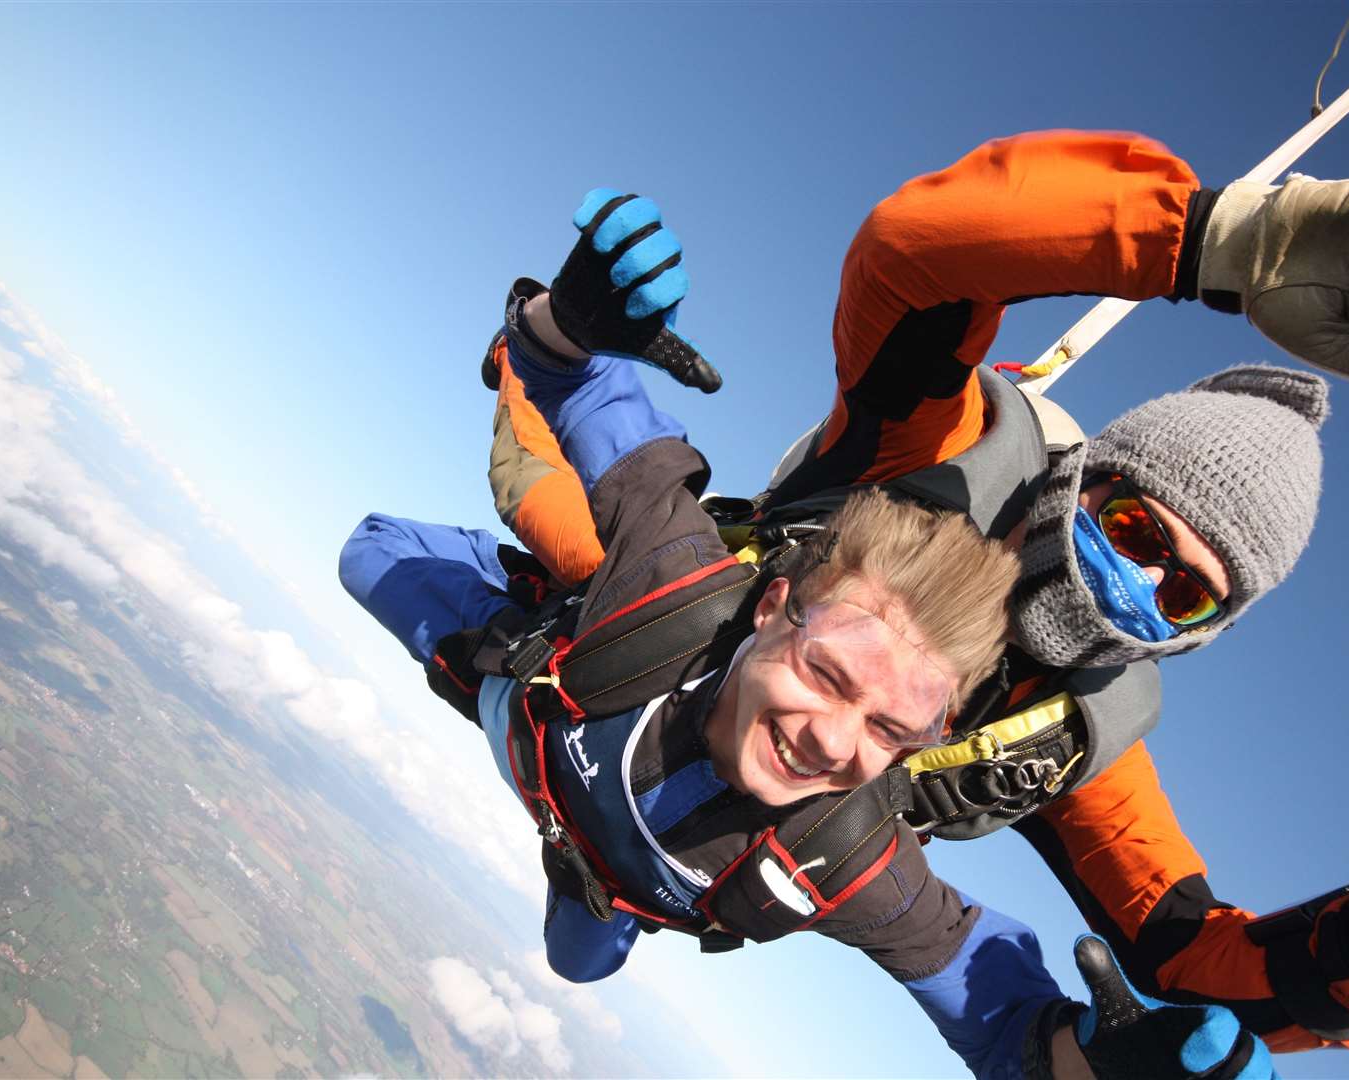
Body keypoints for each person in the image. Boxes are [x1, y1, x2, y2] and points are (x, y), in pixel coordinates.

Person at [482, 131, 1349, 1059]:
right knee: (549, 540)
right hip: (645, 671)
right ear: (1082, 481)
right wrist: (1215, 241)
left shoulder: (1084, 733)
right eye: (1133, 528)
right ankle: (541, 356)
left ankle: (595, 885)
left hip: (720, 862)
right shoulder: (932, 465)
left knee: (584, 947)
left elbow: (1182, 945)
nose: (1139, 581)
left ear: (1195, 637)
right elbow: (919, 257)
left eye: (1184, 594)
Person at [339, 192, 1281, 1080]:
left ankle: (583, 859)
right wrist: (569, 322)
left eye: (887, 732)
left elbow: (1007, 1023)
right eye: (829, 675)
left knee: (576, 963)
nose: (832, 741)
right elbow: (577, 385)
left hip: (600, 876)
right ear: (769, 604)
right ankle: (522, 631)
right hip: (534, 687)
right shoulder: (668, 576)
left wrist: (1106, 1063)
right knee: (371, 556)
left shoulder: (850, 851)